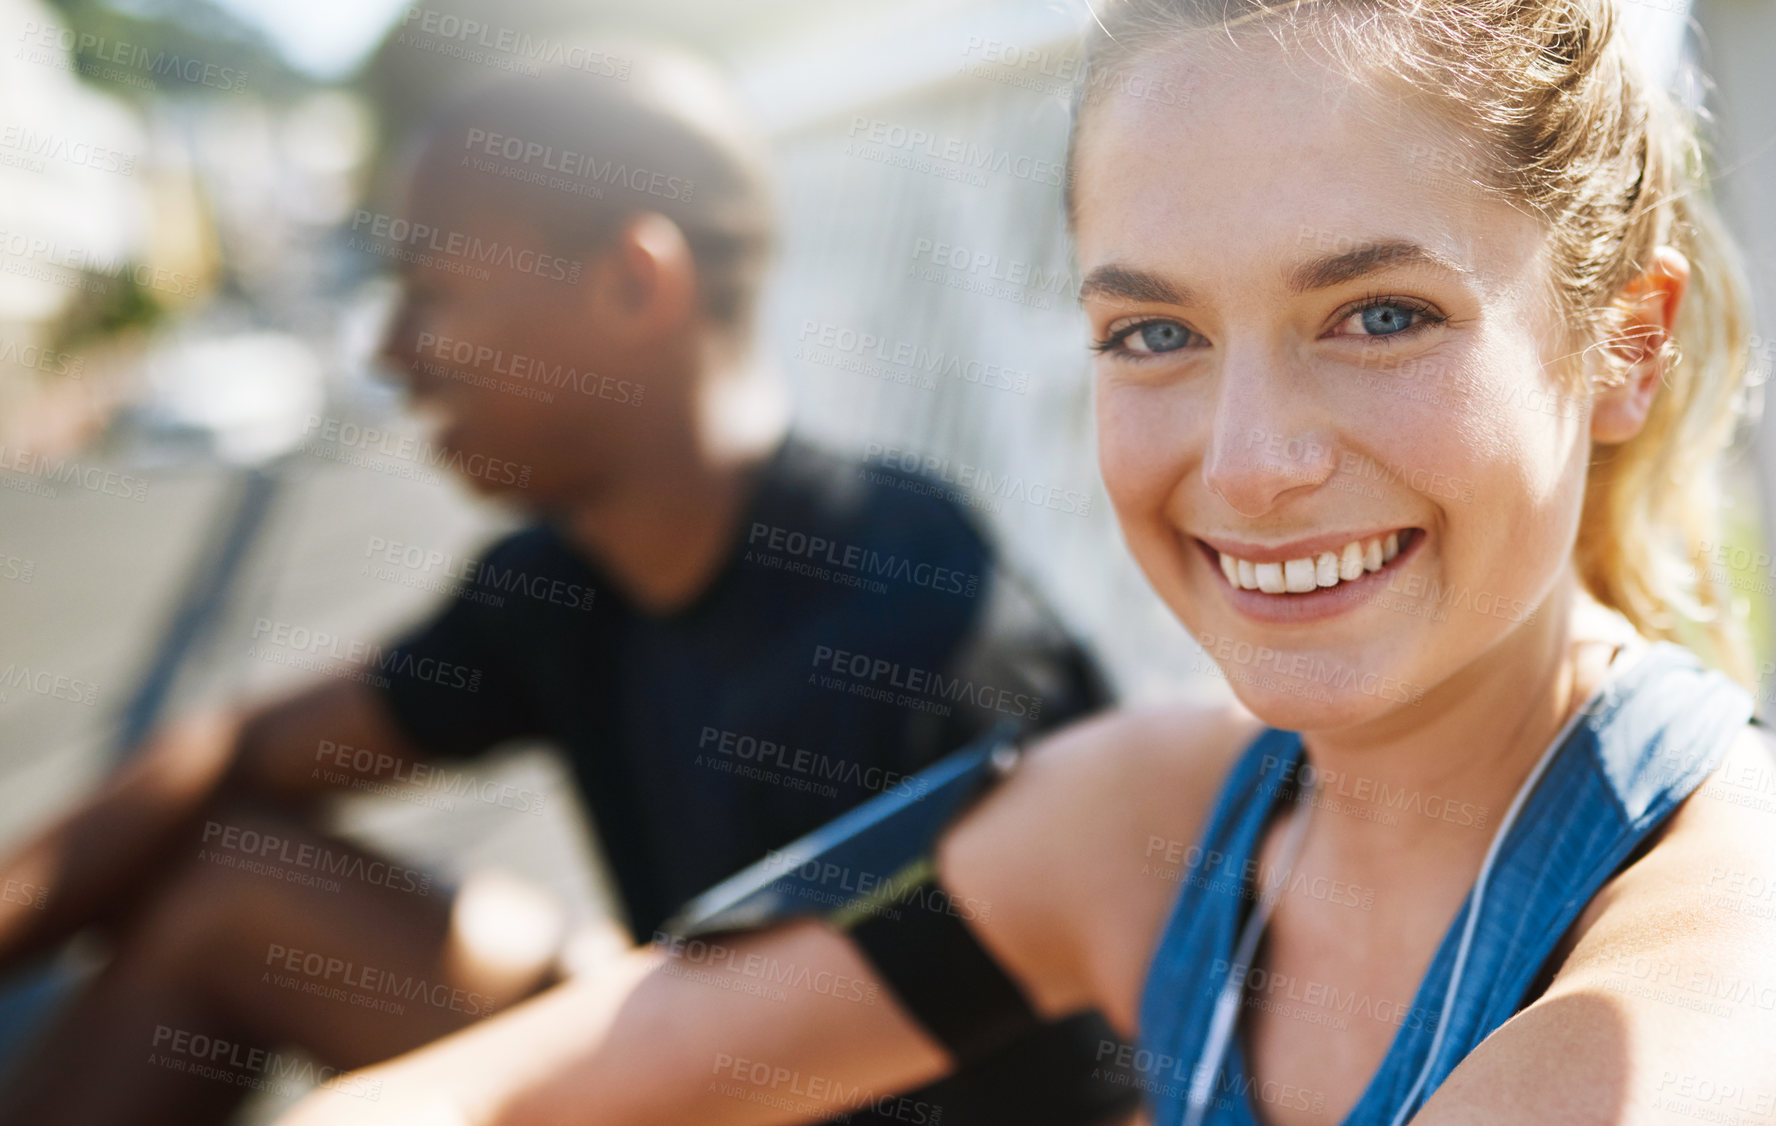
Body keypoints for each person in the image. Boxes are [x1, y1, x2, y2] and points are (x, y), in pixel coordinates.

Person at [265, 0, 1776, 1123]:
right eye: (1155, 334)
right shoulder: (1161, 821)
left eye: (1379, 313)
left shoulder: (1709, 962)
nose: (1249, 462)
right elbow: (555, 1077)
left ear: (1626, 342)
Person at [0, 50, 1131, 1126]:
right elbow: (241, 753)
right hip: (697, 1060)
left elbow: (1116, 1083)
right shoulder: (563, 583)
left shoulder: (923, 630)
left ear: (635, 283)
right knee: (236, 892)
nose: (392, 352)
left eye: (430, 291)